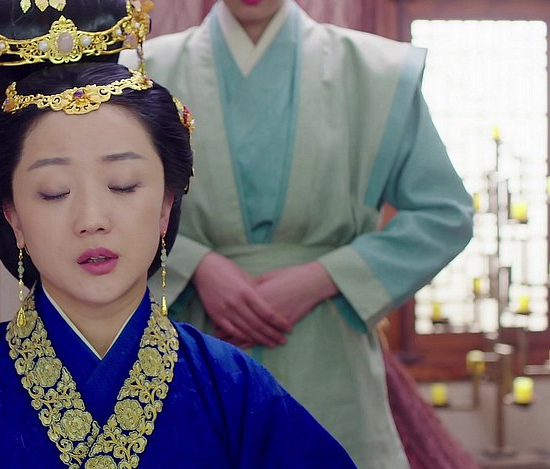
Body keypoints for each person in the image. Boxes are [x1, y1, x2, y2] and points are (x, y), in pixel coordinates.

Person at [0, 1, 356, 467]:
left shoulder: (238, 394)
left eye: (122, 185)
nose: (92, 218)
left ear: (165, 206)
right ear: (12, 217)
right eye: (54, 192)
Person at [123, 1, 474, 468]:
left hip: (327, 344)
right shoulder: (142, 73)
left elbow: (443, 213)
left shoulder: (375, 72)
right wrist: (194, 265)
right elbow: (115, 206)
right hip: (193, 340)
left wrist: (325, 277)